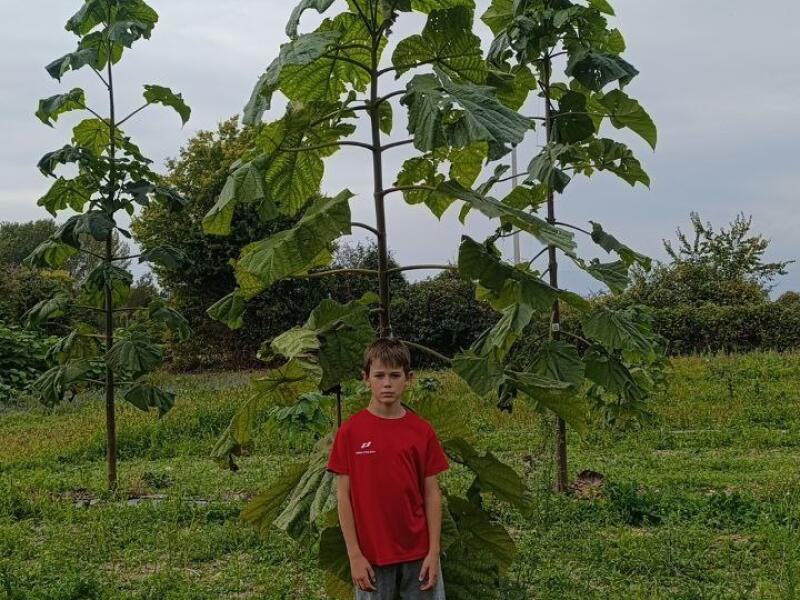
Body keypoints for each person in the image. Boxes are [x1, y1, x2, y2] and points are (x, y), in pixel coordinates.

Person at [326, 338, 449, 599]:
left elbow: (432, 493)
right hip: (371, 556)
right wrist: (354, 555)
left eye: (395, 375)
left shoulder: (422, 430)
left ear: (408, 378)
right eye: (379, 375)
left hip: (419, 554)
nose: (387, 383)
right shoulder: (350, 432)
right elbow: (343, 497)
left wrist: (434, 552)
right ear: (366, 379)